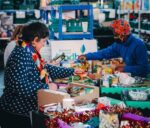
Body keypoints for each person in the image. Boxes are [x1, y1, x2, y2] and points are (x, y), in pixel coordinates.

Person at [0, 22, 78, 128]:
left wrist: (71, 71)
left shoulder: (30, 51)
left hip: (24, 111)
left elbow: (46, 68)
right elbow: (19, 85)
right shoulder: (22, 55)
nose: (43, 45)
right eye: (43, 41)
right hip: (16, 114)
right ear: (35, 40)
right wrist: (47, 87)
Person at [78, 19, 149, 77]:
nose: (114, 37)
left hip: (142, 80)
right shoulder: (120, 44)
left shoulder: (138, 45)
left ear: (123, 34)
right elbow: (104, 53)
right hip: (130, 77)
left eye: (116, 34)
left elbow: (144, 69)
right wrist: (87, 56)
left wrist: (124, 68)